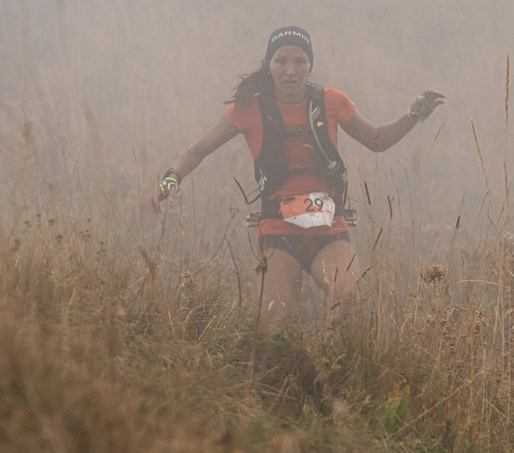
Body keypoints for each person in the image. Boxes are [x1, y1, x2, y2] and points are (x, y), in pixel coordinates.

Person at [151, 26, 443, 322]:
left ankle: (328, 366)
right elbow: (197, 150)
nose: (290, 70)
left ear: (310, 65)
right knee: (274, 322)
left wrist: (415, 115)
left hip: (329, 229)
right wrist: (171, 178)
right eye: (281, 61)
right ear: (269, 65)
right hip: (278, 231)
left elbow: (377, 140)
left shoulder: (331, 102)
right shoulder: (249, 109)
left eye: (300, 61)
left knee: (348, 297)